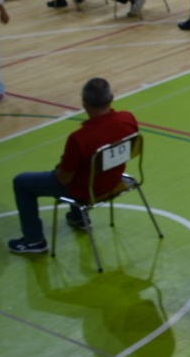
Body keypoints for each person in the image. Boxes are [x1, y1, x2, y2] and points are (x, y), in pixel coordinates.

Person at [7, 78, 138, 254]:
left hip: (88, 190)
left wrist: (60, 168)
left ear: (84, 103)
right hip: (114, 179)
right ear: (111, 97)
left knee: (22, 183)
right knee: (83, 170)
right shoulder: (127, 118)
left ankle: (34, 241)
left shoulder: (79, 139)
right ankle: (79, 219)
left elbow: (63, 179)